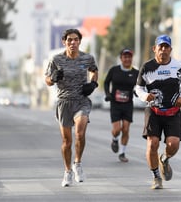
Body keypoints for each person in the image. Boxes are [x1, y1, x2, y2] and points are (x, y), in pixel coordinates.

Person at [44, 28, 98, 187]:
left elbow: (94, 71)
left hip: (81, 100)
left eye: (76, 40)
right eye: (69, 40)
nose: (73, 43)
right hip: (64, 102)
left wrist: (93, 83)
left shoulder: (87, 58)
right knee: (67, 141)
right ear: (64, 42)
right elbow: (47, 79)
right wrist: (52, 79)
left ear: (80, 41)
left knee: (80, 133)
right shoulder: (57, 59)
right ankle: (67, 171)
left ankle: (78, 163)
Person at [135, 35, 181, 189]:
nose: (163, 50)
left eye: (166, 47)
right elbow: (138, 87)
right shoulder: (147, 67)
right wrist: (145, 96)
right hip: (154, 111)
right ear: (155, 49)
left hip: (173, 112)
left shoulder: (178, 66)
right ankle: (156, 177)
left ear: (170, 50)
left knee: (173, 144)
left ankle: (164, 159)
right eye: (161, 47)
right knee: (152, 144)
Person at [104, 48, 139, 162]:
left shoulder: (135, 73)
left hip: (128, 104)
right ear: (121, 58)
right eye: (125, 57)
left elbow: (140, 85)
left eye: (129, 57)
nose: (127, 59)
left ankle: (122, 153)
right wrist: (108, 94)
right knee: (117, 129)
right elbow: (106, 82)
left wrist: (137, 92)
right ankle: (114, 138)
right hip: (115, 103)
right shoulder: (114, 70)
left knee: (126, 129)